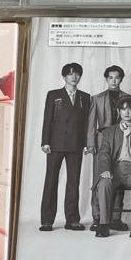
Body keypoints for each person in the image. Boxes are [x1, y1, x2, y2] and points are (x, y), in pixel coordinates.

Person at [40, 62, 90, 231]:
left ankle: (72, 219)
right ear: (64, 76)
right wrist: (45, 141)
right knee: (51, 181)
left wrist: (86, 143)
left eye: (77, 74)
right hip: (55, 143)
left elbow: (86, 123)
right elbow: (48, 119)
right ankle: (47, 220)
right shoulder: (54, 95)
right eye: (70, 74)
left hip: (76, 144)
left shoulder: (85, 97)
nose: (74, 77)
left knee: (74, 182)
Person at [95, 96, 131, 238]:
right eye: (123, 109)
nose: (126, 113)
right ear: (118, 111)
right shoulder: (109, 131)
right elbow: (104, 154)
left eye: (130, 109)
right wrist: (105, 170)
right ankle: (103, 224)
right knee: (103, 183)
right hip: (115, 171)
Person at [86, 65, 127, 230]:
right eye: (111, 77)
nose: (114, 81)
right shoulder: (97, 98)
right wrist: (91, 143)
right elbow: (91, 123)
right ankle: (97, 217)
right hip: (102, 140)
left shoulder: (128, 98)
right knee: (99, 178)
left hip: (122, 140)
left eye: (117, 77)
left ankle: (116, 218)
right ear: (106, 79)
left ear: (121, 79)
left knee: (119, 177)